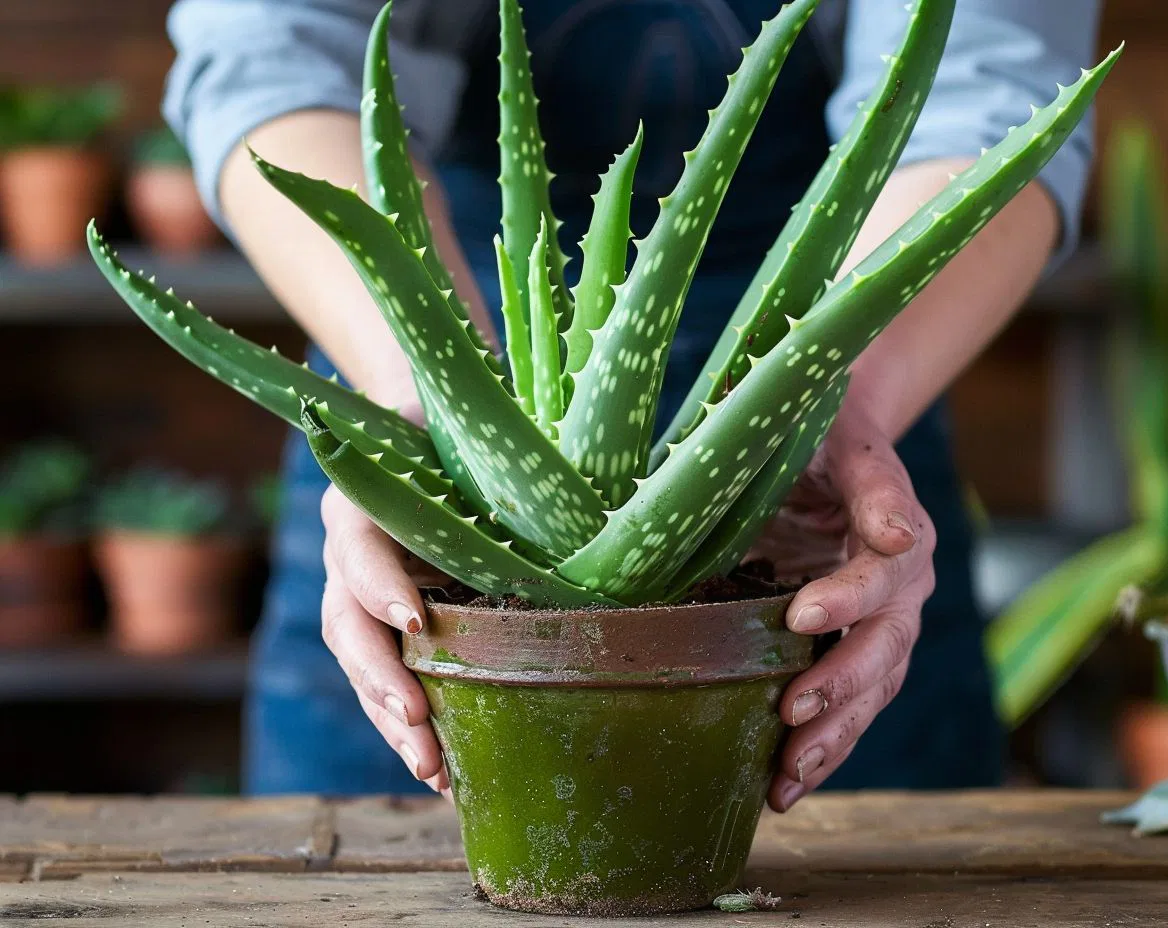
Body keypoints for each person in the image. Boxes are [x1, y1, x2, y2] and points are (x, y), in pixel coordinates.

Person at [163, 0, 1101, 808]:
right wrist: (434, 409)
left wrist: (834, 415)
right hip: (421, 340)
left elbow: (981, 97)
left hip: (817, 375)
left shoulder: (828, 407)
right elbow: (274, 57)